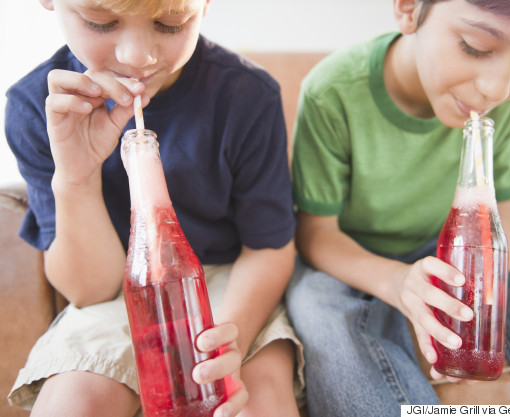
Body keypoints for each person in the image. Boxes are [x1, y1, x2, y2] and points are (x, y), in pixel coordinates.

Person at [5, 0, 304, 416]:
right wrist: (76, 178)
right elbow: (90, 291)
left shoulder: (247, 96)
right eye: (100, 21)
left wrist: (222, 344)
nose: (136, 56)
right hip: (110, 298)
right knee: (75, 401)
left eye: (169, 23)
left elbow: (269, 249)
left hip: (229, 283)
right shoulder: (37, 108)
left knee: (261, 400)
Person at [286, 0, 510, 415]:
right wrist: (399, 283)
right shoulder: (332, 91)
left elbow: (505, 214)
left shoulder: (507, 96)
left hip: (466, 258)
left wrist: (476, 291)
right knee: (323, 319)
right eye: (475, 47)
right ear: (407, 9)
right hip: (354, 257)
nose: (498, 88)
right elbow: (315, 233)